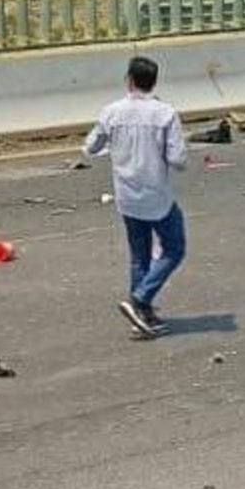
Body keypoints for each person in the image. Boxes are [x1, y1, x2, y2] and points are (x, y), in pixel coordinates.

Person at [84, 57, 189, 338]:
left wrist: (117, 149)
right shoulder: (165, 113)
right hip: (157, 195)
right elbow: (178, 159)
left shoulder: (112, 112)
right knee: (174, 248)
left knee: (139, 256)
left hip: (126, 195)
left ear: (129, 80)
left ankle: (141, 317)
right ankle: (140, 299)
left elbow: (91, 147)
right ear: (153, 82)